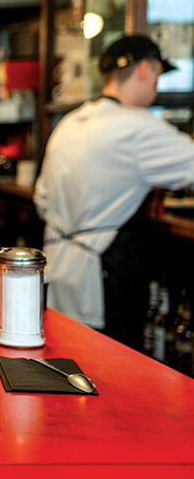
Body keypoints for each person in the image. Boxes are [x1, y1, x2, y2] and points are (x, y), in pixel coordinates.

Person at [34, 34, 194, 350]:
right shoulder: (138, 126)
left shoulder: (70, 121)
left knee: (66, 362)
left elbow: (41, 200)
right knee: (112, 376)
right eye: (158, 77)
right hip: (105, 278)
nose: (156, 87)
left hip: (57, 269)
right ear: (146, 70)